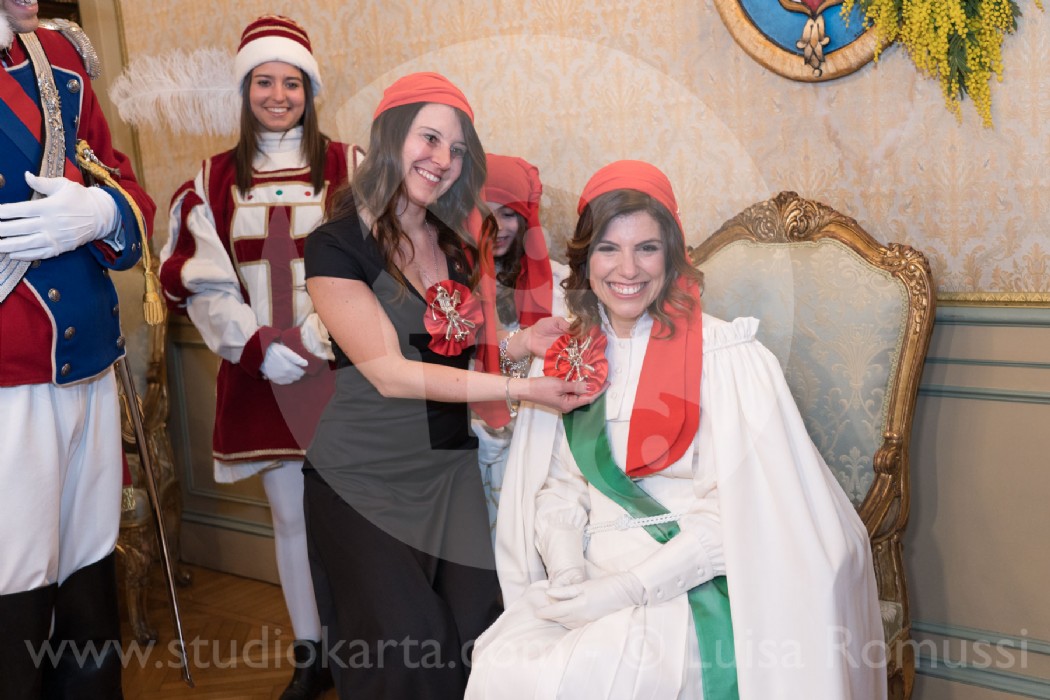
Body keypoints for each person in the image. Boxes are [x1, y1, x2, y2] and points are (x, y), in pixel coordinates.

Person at [466, 160, 887, 699]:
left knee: (596, 675)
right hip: (588, 576)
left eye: (646, 248)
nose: (628, 269)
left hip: (690, 581)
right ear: (586, 259)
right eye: (608, 248)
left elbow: (738, 513)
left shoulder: (728, 359)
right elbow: (559, 486)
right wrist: (570, 573)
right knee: (505, 666)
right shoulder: (567, 357)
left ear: (672, 254)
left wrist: (625, 589)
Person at [302, 71, 596, 699]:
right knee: (409, 653)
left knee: (480, 637)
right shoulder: (336, 245)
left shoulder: (455, 242)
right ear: (390, 136)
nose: (443, 159)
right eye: (429, 138)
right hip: (363, 479)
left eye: (457, 149)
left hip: (447, 472)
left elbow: (458, 352)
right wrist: (520, 390)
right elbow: (390, 372)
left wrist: (522, 345)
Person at [158, 15, 346, 700]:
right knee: (291, 519)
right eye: (263, 81)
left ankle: (364, 649)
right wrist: (259, 346)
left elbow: (375, 266)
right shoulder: (211, 179)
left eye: (291, 82)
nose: (277, 95)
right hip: (260, 378)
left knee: (354, 520)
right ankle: (310, 656)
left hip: (342, 375)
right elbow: (201, 281)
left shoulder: (351, 167)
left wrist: (317, 337)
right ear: (245, 91)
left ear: (309, 90)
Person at [0, 1, 156, 697]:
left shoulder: (58, 58)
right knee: (14, 599)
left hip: (88, 362)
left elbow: (128, 192)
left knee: (88, 595)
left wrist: (100, 212)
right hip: (8, 381)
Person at [473, 153, 554, 535]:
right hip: (473, 435)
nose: (498, 227)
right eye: (484, 214)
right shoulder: (454, 284)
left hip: (538, 432)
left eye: (509, 214)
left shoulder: (554, 283)